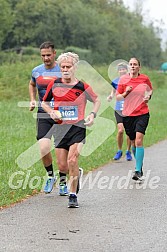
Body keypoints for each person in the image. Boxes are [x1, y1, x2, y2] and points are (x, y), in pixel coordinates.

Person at [42, 52, 101, 208]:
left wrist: (92, 114)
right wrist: (51, 112)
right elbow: (44, 103)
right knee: (63, 167)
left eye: (68, 66)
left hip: (77, 127)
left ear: (75, 68)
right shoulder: (54, 84)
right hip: (60, 128)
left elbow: (97, 100)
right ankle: (76, 173)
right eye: (63, 67)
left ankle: (73, 195)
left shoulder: (82, 86)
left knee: (72, 159)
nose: (65, 69)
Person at [29, 41, 64, 194]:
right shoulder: (36, 71)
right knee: (44, 148)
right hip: (44, 112)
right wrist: (32, 98)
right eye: (43, 55)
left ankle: (63, 181)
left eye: (48, 55)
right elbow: (32, 84)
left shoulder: (63, 69)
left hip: (62, 113)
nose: (45, 58)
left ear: (54, 53)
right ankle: (51, 176)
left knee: (61, 150)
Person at [116, 57, 153, 181]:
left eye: (135, 64)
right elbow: (118, 97)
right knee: (132, 142)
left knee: (138, 140)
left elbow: (149, 90)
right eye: (131, 64)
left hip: (142, 113)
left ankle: (137, 170)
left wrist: (148, 97)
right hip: (128, 115)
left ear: (139, 67)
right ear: (128, 67)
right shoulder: (123, 79)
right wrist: (126, 93)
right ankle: (139, 165)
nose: (132, 66)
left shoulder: (144, 79)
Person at [107, 63, 132, 161]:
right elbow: (113, 91)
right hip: (118, 109)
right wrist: (110, 96)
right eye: (120, 69)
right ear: (118, 71)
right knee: (121, 130)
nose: (122, 71)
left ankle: (128, 152)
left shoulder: (131, 80)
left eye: (123, 69)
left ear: (127, 70)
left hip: (129, 108)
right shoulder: (115, 81)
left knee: (129, 132)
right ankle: (119, 151)